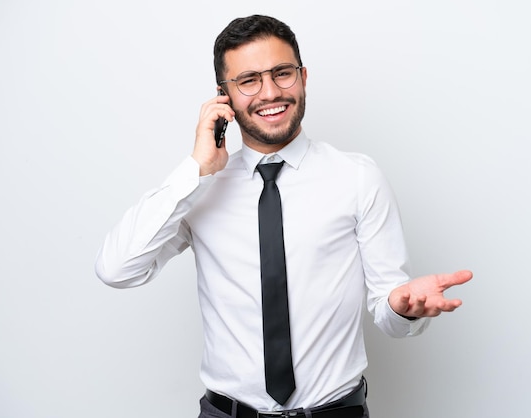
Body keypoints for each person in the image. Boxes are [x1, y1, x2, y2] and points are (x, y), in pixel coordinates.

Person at [95, 14, 473, 418]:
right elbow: (118, 270)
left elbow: (390, 312)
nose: (270, 92)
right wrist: (197, 169)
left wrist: (401, 306)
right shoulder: (200, 189)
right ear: (224, 96)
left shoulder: (358, 177)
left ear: (304, 77)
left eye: (282, 73)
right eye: (249, 80)